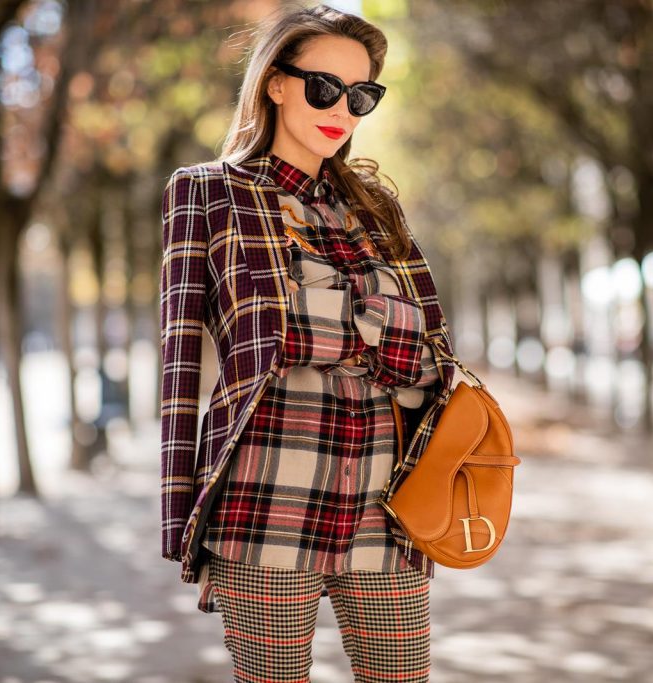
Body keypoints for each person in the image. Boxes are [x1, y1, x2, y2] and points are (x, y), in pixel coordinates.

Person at [158, 5, 465, 681]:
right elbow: (183, 363)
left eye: (362, 96)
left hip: (389, 510)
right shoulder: (208, 194)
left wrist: (323, 325)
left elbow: (429, 355)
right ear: (274, 81)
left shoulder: (378, 206)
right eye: (324, 87)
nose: (343, 110)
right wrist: (181, 522)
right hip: (264, 504)